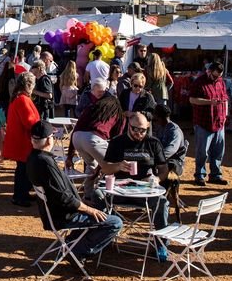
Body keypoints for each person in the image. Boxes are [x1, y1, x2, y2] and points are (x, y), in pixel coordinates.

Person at [26, 120, 123, 261]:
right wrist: (88, 209)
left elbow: (60, 193)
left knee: (98, 202)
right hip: (64, 215)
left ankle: (71, 244)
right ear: (48, 140)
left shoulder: (33, 157)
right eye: (52, 136)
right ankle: (77, 252)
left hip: (55, 211)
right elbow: (64, 198)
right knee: (115, 222)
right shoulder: (45, 162)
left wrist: (82, 202)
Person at [99, 111, 171, 261]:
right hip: (118, 192)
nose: (139, 133)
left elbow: (164, 169)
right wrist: (118, 166)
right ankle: (101, 238)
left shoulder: (153, 143)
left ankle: (161, 244)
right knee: (97, 196)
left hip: (144, 193)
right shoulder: (117, 142)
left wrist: (157, 179)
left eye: (143, 130)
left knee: (162, 202)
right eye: (135, 129)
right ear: (128, 126)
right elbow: (105, 168)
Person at [67, 78, 123, 199]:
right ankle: (110, 198)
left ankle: (88, 196)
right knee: (114, 166)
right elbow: (117, 137)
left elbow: (76, 129)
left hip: (77, 138)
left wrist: (70, 156)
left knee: (91, 167)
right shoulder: (117, 110)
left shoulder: (92, 106)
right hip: (93, 138)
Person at [3, 71, 41, 207]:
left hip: (21, 139)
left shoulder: (19, 97)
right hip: (23, 141)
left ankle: (22, 194)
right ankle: (19, 196)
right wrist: (41, 128)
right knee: (24, 170)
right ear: (28, 84)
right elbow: (29, 122)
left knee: (23, 169)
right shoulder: (22, 99)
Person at [189, 62, 229, 187]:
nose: (216, 78)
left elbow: (225, 99)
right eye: (215, 76)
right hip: (203, 122)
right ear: (209, 71)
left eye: (219, 76)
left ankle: (215, 175)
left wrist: (225, 115)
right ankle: (200, 175)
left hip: (219, 122)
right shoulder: (199, 82)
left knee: (218, 152)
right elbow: (192, 99)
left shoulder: (221, 82)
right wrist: (210, 102)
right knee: (202, 152)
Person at [152, 104, 186, 176]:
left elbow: (171, 150)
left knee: (165, 167)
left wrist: (156, 158)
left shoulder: (174, 131)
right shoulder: (160, 127)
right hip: (163, 158)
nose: (155, 122)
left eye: (156, 119)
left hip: (174, 162)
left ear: (162, 118)